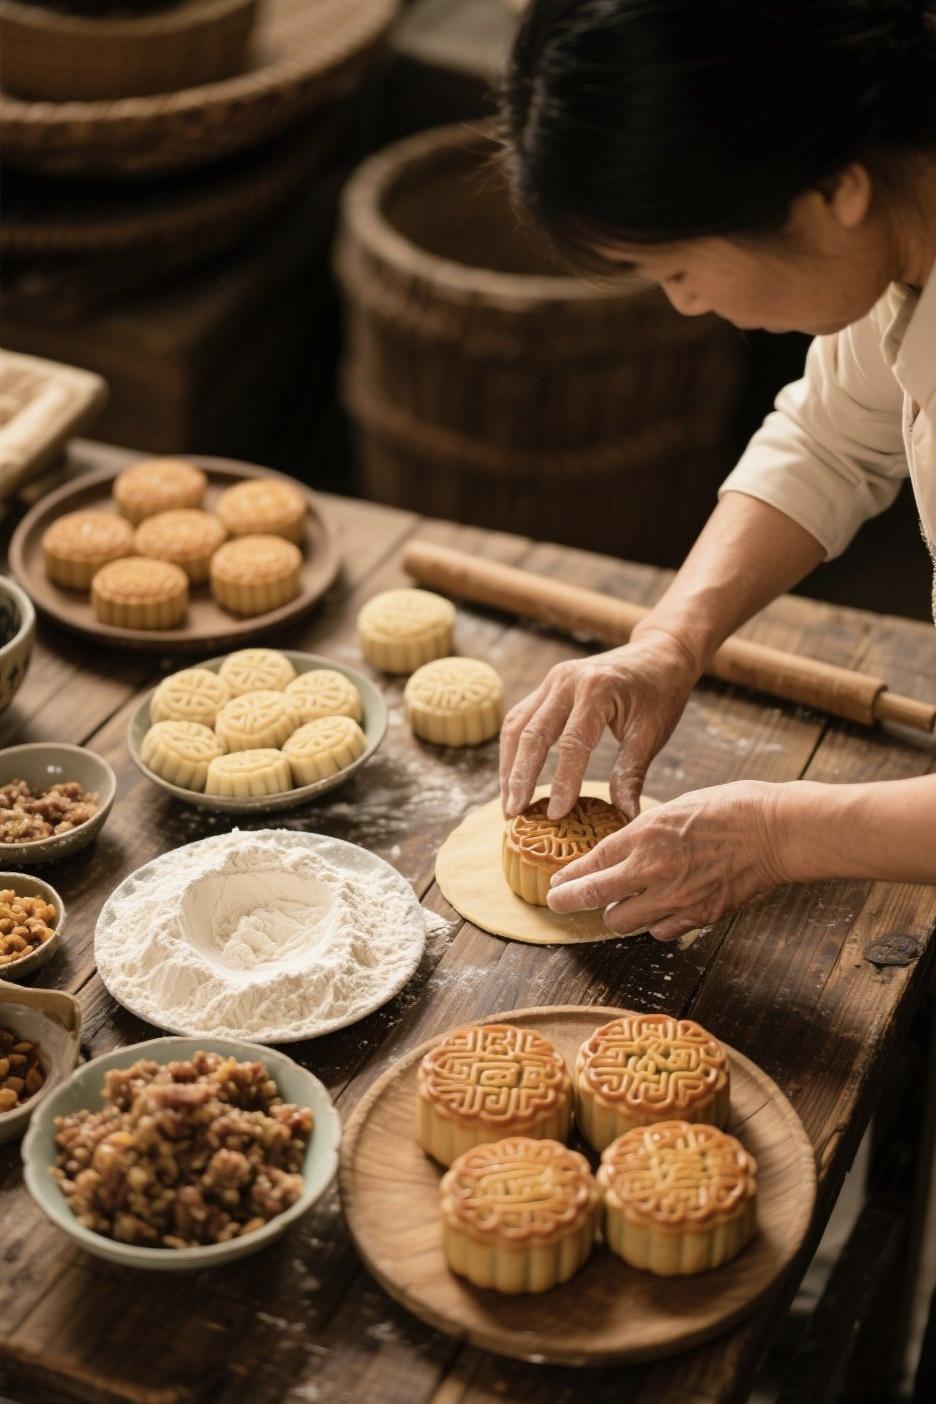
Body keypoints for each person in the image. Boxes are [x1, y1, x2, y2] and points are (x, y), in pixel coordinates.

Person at [497, 0, 936, 941]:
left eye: (677, 268)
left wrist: (779, 834)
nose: (685, 306)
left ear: (832, 190)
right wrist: (670, 639)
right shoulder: (904, 224)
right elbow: (830, 438)